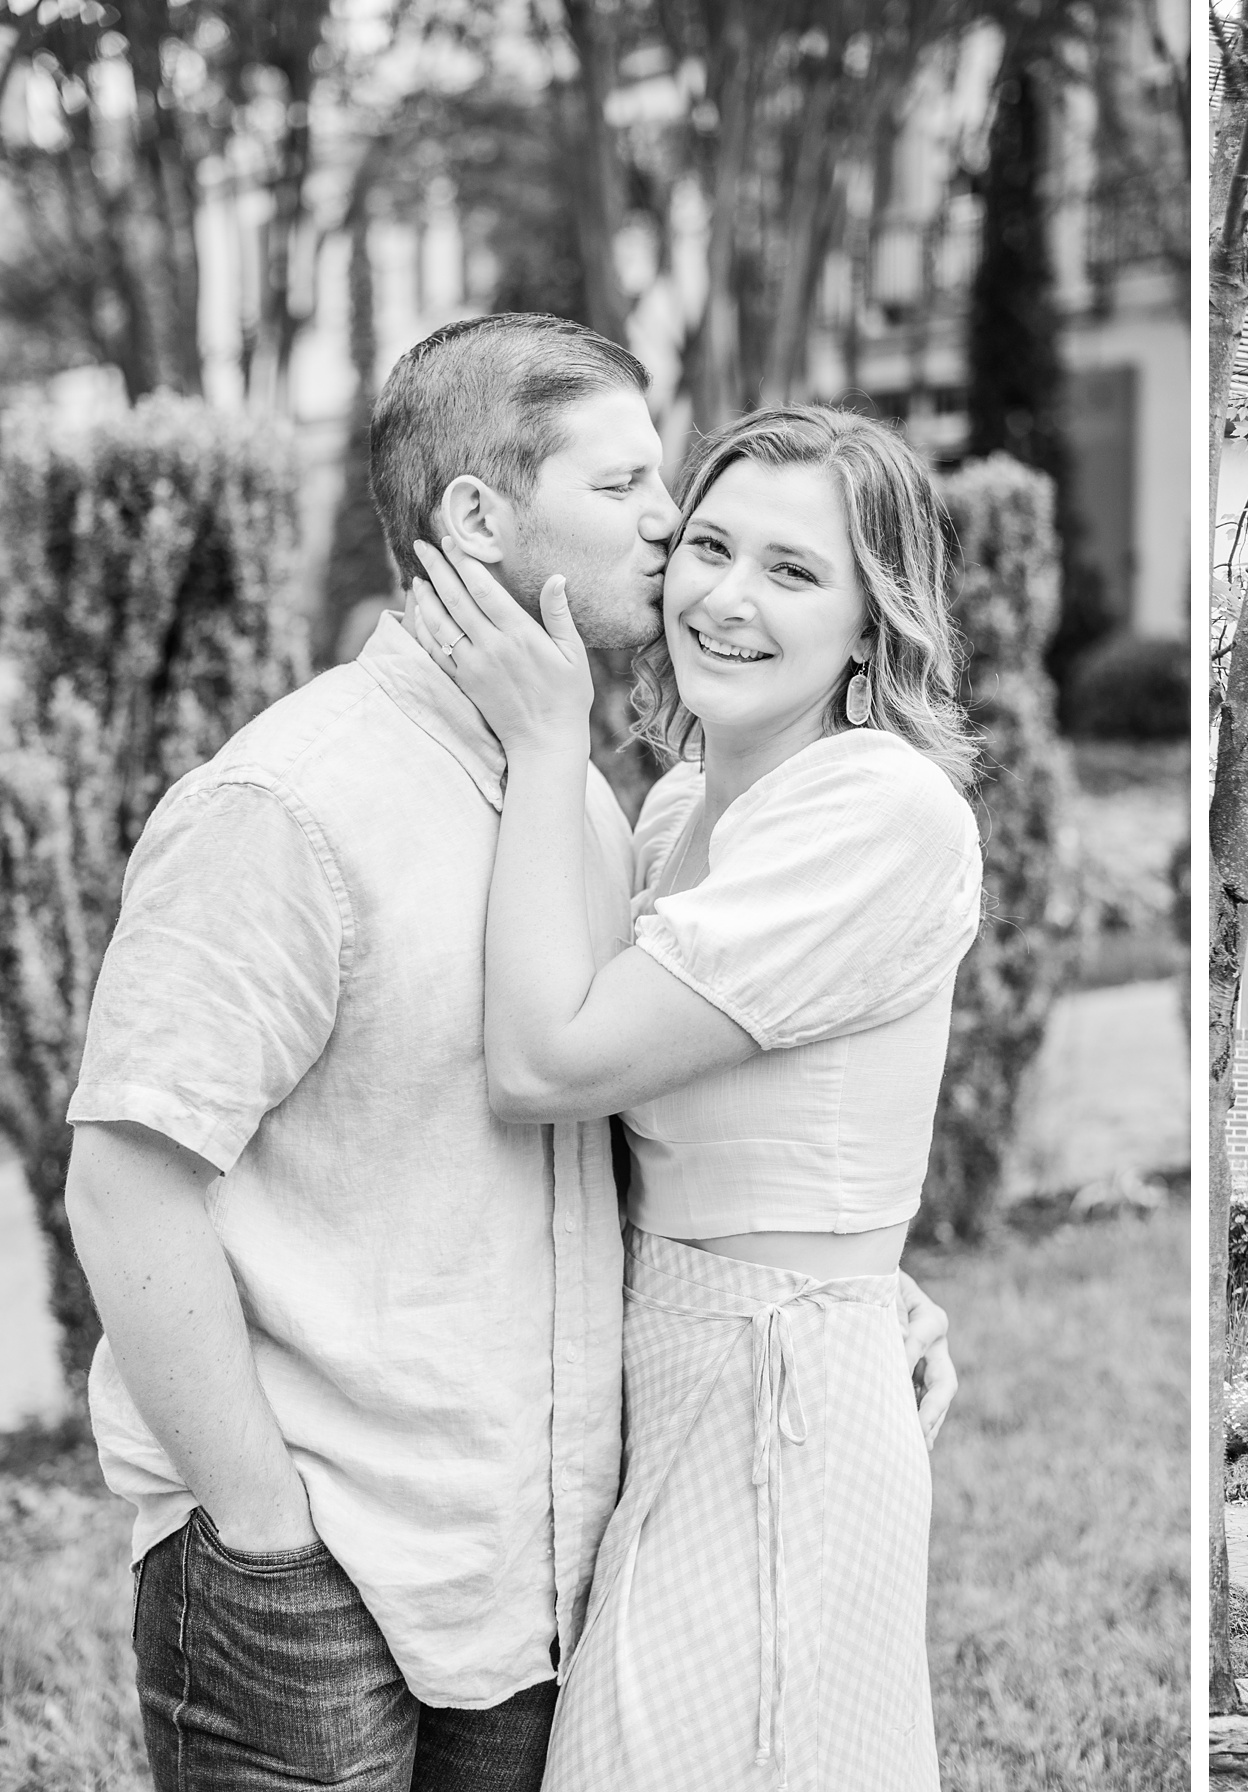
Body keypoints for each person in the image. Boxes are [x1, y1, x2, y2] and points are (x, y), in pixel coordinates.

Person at [60, 316, 956, 1792]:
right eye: (629, 490)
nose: (671, 534)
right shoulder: (288, 803)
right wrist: (260, 1528)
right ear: (479, 516)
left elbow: (619, 1115)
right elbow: (124, 1187)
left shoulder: (588, 809)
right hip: (321, 1565)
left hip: (535, 1569)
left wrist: (845, 1285)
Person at [403, 402, 982, 1790]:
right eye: (708, 547)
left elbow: (550, 1065)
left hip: (779, 1404)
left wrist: (547, 744)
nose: (726, 598)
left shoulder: (881, 813)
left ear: (872, 620)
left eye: (794, 573)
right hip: (678, 1370)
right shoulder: (679, 811)